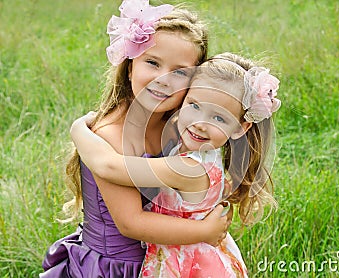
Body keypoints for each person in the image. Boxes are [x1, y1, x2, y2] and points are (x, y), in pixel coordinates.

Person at [40, 1, 230, 277]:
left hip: (168, 257)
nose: (163, 80)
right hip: (118, 266)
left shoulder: (177, 127)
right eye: (152, 63)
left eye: (180, 72)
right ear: (130, 68)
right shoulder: (111, 136)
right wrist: (205, 231)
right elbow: (130, 223)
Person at [70, 52, 281, 277]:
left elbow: (111, 168)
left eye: (219, 118)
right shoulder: (199, 147)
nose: (200, 123)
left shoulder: (189, 168)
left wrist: (78, 130)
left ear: (240, 128)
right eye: (194, 105)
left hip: (189, 262)